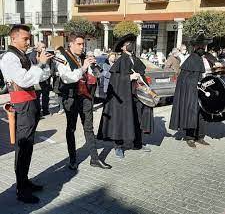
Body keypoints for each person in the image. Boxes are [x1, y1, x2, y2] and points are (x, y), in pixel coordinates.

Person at [0, 25, 53, 203]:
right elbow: (23, 79)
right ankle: (21, 189)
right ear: (13, 38)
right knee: (22, 147)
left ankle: (24, 181)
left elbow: (40, 78)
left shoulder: (21, 56)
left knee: (28, 146)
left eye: (29, 38)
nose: (28, 42)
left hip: (30, 101)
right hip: (22, 104)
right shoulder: (9, 57)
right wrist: (41, 65)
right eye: (25, 39)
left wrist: (43, 65)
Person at [55, 32, 112, 170]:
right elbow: (67, 78)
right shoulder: (61, 58)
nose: (82, 47)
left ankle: (94, 158)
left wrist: (94, 66)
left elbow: (96, 75)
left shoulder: (83, 57)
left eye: (83, 44)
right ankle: (73, 159)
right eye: (79, 44)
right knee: (71, 128)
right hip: (71, 97)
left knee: (89, 128)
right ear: (71, 44)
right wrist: (84, 67)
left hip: (85, 96)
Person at [97, 34, 154, 158]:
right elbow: (114, 79)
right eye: (128, 43)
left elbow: (142, 75)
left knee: (137, 118)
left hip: (137, 95)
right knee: (121, 120)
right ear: (123, 47)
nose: (131, 45)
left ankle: (137, 142)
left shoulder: (136, 59)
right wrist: (128, 77)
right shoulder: (120, 61)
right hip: (123, 97)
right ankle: (118, 146)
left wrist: (145, 85)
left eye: (131, 43)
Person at [169, 31, 218, 148]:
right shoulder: (191, 59)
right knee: (191, 113)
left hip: (205, 92)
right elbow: (184, 79)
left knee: (203, 115)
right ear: (195, 46)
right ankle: (189, 137)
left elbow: (213, 72)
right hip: (193, 92)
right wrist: (195, 84)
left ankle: (200, 137)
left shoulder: (207, 57)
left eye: (203, 46)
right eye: (199, 46)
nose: (201, 48)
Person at [29, 41, 51, 116]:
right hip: (37, 80)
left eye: (45, 47)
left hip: (45, 79)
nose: (44, 49)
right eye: (42, 47)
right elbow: (35, 66)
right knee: (37, 97)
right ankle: (38, 112)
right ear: (37, 47)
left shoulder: (46, 54)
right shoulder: (33, 54)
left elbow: (49, 65)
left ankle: (45, 110)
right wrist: (40, 60)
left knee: (46, 96)